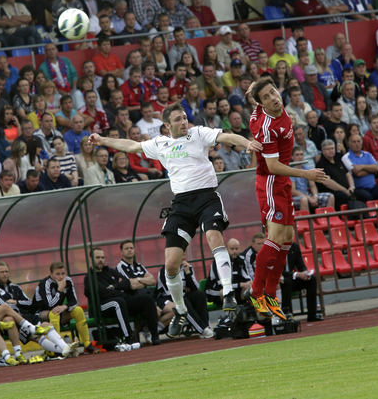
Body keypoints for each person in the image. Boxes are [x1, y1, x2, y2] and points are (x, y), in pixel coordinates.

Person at [90, 102, 259, 337]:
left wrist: (247, 142)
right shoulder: (161, 143)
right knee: (171, 264)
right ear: (167, 125)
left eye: (185, 117)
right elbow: (132, 145)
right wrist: (103, 141)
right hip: (181, 205)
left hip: (207, 197)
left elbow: (227, 135)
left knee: (214, 237)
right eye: (178, 119)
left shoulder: (198, 133)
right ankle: (180, 311)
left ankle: (228, 293)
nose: (184, 122)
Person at [245, 77, 327, 320]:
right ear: (262, 103)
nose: (272, 98)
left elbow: (254, 103)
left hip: (281, 183)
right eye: (267, 96)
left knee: (288, 239)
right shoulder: (268, 127)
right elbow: (272, 166)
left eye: (273, 92)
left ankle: (271, 293)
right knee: (275, 237)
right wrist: (307, 173)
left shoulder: (262, 111)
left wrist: (255, 90)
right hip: (271, 181)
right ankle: (256, 292)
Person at [0, 261, 76, 360]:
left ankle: (64, 348)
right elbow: (4, 306)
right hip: (10, 320)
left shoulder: (15, 287)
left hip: (23, 316)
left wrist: (16, 302)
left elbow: (29, 304)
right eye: (2, 272)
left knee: (46, 326)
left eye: (6, 271)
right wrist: (15, 305)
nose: (5, 274)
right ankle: (62, 348)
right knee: (36, 336)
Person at [84, 246, 160, 346]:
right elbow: (103, 293)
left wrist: (113, 287)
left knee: (147, 300)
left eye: (102, 258)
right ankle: (128, 337)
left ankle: (155, 336)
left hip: (121, 300)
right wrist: (118, 289)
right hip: (101, 306)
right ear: (91, 259)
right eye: (98, 258)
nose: (101, 260)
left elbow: (126, 283)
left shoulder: (110, 271)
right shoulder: (89, 277)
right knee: (118, 302)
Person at [33, 262, 99, 354]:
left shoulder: (68, 280)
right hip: (41, 314)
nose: (61, 277)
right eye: (57, 274)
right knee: (54, 313)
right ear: (51, 274)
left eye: (63, 273)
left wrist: (65, 306)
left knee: (78, 310)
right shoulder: (45, 284)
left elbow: (74, 301)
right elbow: (50, 305)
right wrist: (60, 290)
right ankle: (57, 348)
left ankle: (87, 344)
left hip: (59, 311)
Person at [156, 257, 212, 338]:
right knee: (183, 301)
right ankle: (202, 330)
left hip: (183, 295)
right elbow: (169, 291)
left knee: (199, 295)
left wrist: (188, 272)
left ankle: (206, 326)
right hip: (165, 298)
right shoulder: (164, 270)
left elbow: (195, 287)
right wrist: (184, 289)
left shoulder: (188, 267)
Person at [342, 133, 378, 202]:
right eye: (354, 142)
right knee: (368, 197)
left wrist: (361, 167)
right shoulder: (346, 157)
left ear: (362, 142)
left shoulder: (368, 154)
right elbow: (356, 173)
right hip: (358, 188)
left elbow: (377, 168)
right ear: (349, 144)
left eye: (358, 141)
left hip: (373, 187)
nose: (357, 144)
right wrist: (371, 170)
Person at [205, 238, 252, 307]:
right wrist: (240, 284)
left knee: (250, 287)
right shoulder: (219, 261)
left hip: (233, 288)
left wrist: (249, 283)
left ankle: (250, 312)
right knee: (225, 291)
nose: (234, 251)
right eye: (232, 249)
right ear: (226, 249)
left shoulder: (241, 260)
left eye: (236, 249)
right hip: (215, 290)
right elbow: (220, 283)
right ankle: (229, 315)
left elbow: (246, 277)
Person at [281, 242, 322, 322]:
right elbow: (277, 271)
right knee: (286, 282)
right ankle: (288, 315)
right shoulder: (274, 248)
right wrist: (296, 274)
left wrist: (305, 273)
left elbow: (300, 264)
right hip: (278, 280)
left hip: (291, 277)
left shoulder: (294, 246)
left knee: (311, 279)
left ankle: (312, 315)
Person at [290, 146, 332, 212]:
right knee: (304, 200)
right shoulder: (291, 170)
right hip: (296, 198)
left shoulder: (307, 169)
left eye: (301, 154)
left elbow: (313, 186)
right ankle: (306, 222)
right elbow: (293, 191)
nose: (300, 157)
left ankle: (327, 220)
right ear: (292, 157)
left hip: (308, 195)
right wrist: (308, 198)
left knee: (330, 196)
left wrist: (315, 196)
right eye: (297, 155)